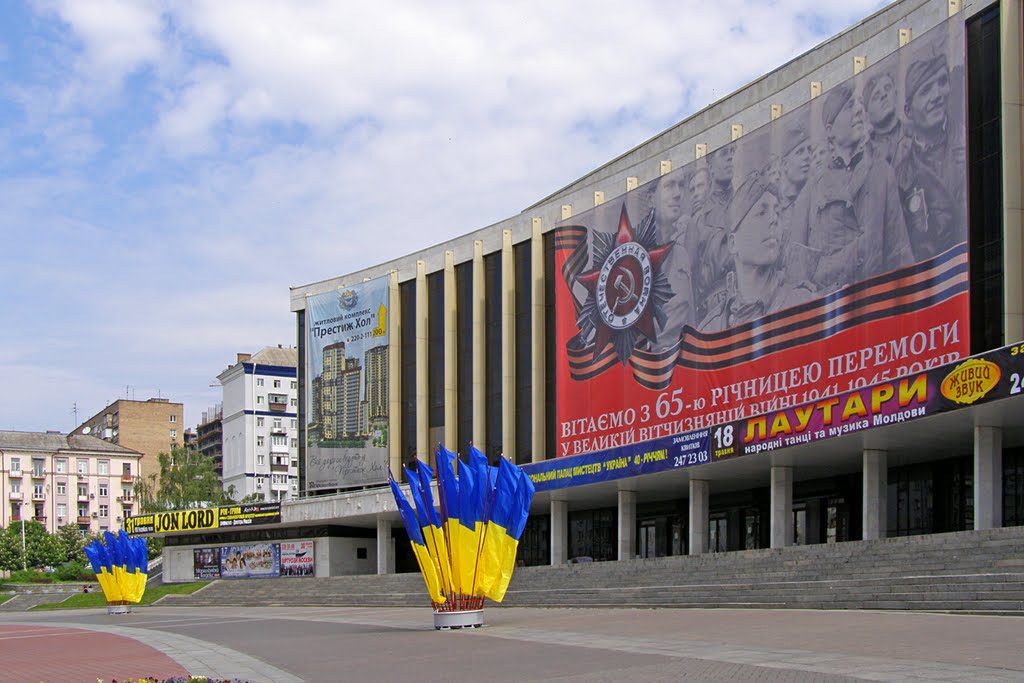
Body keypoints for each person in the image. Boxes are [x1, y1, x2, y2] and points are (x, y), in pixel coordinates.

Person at [790, 82, 914, 294]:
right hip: (832, 308)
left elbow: (899, 249)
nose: (858, 111)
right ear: (830, 130)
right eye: (849, 107)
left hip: (875, 301)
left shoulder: (882, 172)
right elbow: (797, 265)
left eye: (859, 104)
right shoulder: (813, 189)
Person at [699, 170, 815, 332]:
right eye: (761, 212)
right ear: (733, 243)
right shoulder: (711, 329)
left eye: (777, 212)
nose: (774, 219)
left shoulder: (803, 303)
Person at [894, 49, 966, 261]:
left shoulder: (966, 138)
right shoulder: (902, 175)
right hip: (935, 285)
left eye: (942, 82)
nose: (937, 95)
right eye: (926, 90)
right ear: (908, 110)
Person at [691, 144, 736, 323]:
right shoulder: (698, 220)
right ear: (710, 167)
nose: (730, 158)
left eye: (733, 152)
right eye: (724, 153)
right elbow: (691, 282)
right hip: (711, 311)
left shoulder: (747, 205)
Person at [863, 70, 903, 166]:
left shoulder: (915, 132)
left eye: (887, 88)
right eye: (876, 96)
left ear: (896, 93)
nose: (884, 95)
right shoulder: (866, 155)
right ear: (867, 116)